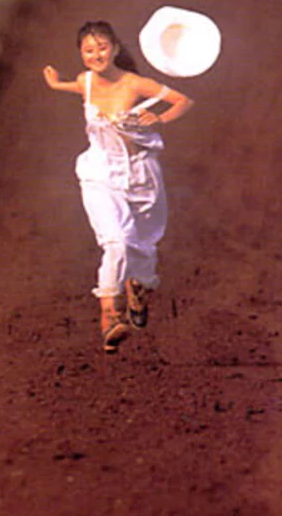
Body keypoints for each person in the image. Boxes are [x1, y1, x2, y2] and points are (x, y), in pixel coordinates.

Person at [41, 21, 194, 352]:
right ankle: (109, 315)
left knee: (142, 243)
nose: (96, 55)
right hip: (100, 172)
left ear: (115, 48)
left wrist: (160, 118)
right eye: (88, 50)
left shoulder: (136, 83)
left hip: (141, 174)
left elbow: (183, 100)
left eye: (102, 48)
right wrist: (56, 85)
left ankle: (138, 288)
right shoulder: (87, 82)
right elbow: (78, 88)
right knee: (117, 241)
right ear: (81, 54)